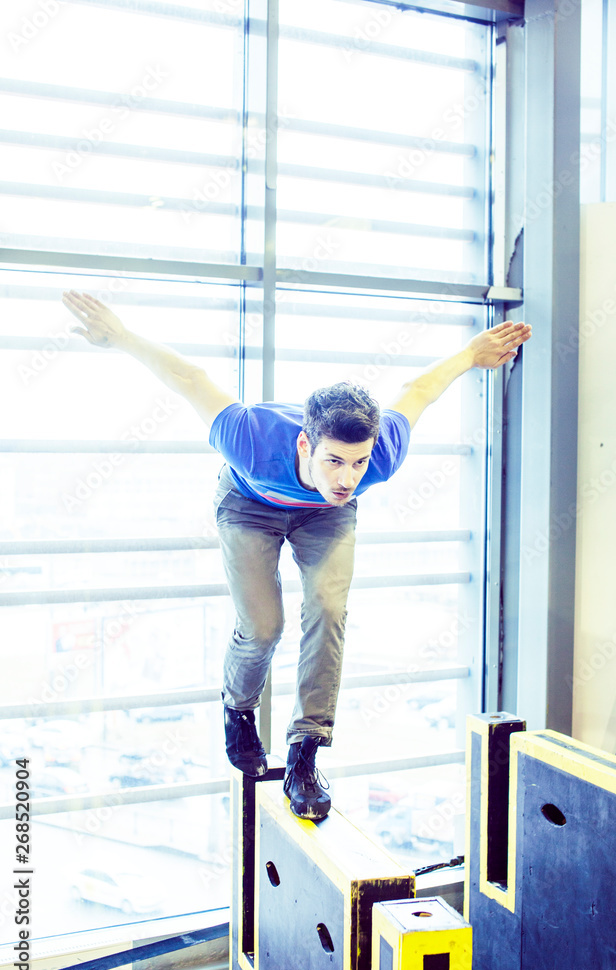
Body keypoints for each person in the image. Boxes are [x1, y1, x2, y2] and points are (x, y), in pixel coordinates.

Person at [62, 290, 531, 820]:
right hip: (248, 505)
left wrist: (473, 352)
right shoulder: (252, 439)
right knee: (263, 626)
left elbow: (418, 388)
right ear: (307, 446)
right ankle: (238, 710)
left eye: (358, 463)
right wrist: (120, 336)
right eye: (335, 461)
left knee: (328, 609)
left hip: (324, 519)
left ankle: (304, 753)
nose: (347, 477)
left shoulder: (380, 457)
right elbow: (190, 378)